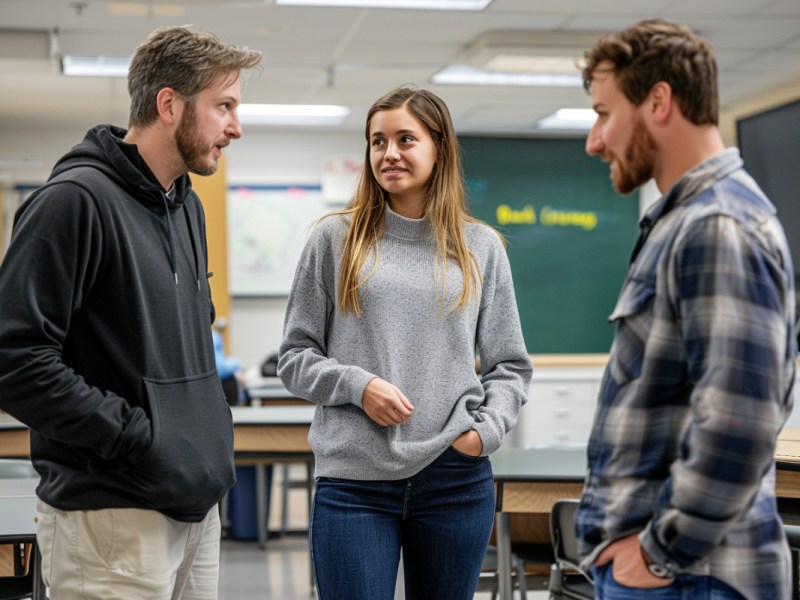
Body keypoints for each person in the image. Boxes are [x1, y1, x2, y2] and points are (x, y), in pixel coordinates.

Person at [0, 26, 261, 598]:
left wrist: (201, 438)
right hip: (112, 516)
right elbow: (14, 361)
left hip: (195, 507)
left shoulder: (186, 206)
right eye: (224, 106)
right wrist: (139, 438)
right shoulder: (73, 202)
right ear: (169, 104)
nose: (236, 126)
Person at [277, 85, 532, 600]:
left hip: (455, 479)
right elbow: (294, 357)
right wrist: (357, 384)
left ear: (440, 148)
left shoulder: (480, 246)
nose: (388, 154)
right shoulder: (334, 239)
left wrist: (484, 433)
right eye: (377, 141)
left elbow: (509, 365)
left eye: (405, 139)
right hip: (354, 483)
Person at [575, 18, 796, 600]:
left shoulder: (717, 227)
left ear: (659, 100)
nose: (594, 140)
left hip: (687, 578)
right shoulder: (686, 222)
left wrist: (658, 553)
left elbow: (738, 424)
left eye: (604, 113)